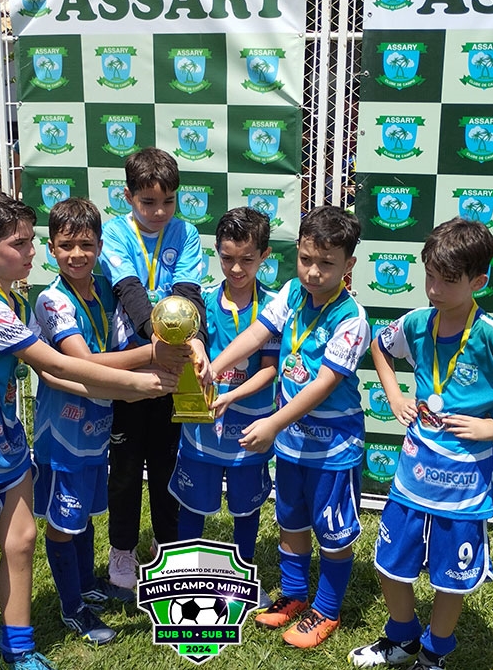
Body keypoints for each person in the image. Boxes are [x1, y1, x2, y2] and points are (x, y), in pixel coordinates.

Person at [0, 191, 176, 669]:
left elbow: (52, 374)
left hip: (7, 442)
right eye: (19, 244)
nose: (31, 252)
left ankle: (20, 648)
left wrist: (131, 387)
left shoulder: (13, 300)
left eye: (29, 241)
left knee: (21, 540)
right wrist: (140, 379)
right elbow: (60, 364)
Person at [357, 218, 493, 670]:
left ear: (479, 281)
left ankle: (434, 654)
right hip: (412, 477)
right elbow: (380, 346)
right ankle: (403, 638)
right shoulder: (418, 322)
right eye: (429, 276)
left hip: (464, 488)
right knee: (389, 565)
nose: (434, 289)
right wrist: (394, 395)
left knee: (450, 579)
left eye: (448, 280)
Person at [209, 205, 369, 649]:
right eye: (305, 259)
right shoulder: (293, 292)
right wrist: (215, 369)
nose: (313, 272)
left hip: (333, 446)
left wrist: (272, 423)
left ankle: (327, 609)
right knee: (291, 519)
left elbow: (323, 384)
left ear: (349, 264)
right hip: (293, 443)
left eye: (326, 263)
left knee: (332, 531)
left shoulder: (351, 318)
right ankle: (295, 594)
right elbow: (256, 334)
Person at [33, 197, 163, 645]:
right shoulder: (52, 300)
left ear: (100, 246)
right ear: (51, 248)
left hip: (97, 425)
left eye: (86, 245)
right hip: (62, 431)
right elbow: (82, 363)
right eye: (66, 246)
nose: (77, 255)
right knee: (63, 521)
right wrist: (151, 357)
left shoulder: (105, 286)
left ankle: (87, 584)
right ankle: (72, 608)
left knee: (86, 514)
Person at [99, 147, 209, 589]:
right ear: (128, 196)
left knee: (167, 463)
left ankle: (169, 547)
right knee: (126, 466)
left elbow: (188, 294)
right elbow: (129, 290)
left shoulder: (186, 232)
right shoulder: (114, 232)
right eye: (148, 202)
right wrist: (156, 341)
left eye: (168, 201)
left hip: (173, 364)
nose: (160, 211)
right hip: (129, 366)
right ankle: (122, 548)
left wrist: (190, 341)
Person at [169, 206, 278, 604]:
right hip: (202, 428)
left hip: (249, 430)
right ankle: (184, 578)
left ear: (264, 256)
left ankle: (242, 579)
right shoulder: (200, 304)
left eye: (247, 259)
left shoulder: (274, 307)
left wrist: (231, 395)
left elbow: (270, 370)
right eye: (227, 258)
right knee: (193, 505)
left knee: (246, 509)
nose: (235, 268)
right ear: (216, 251)